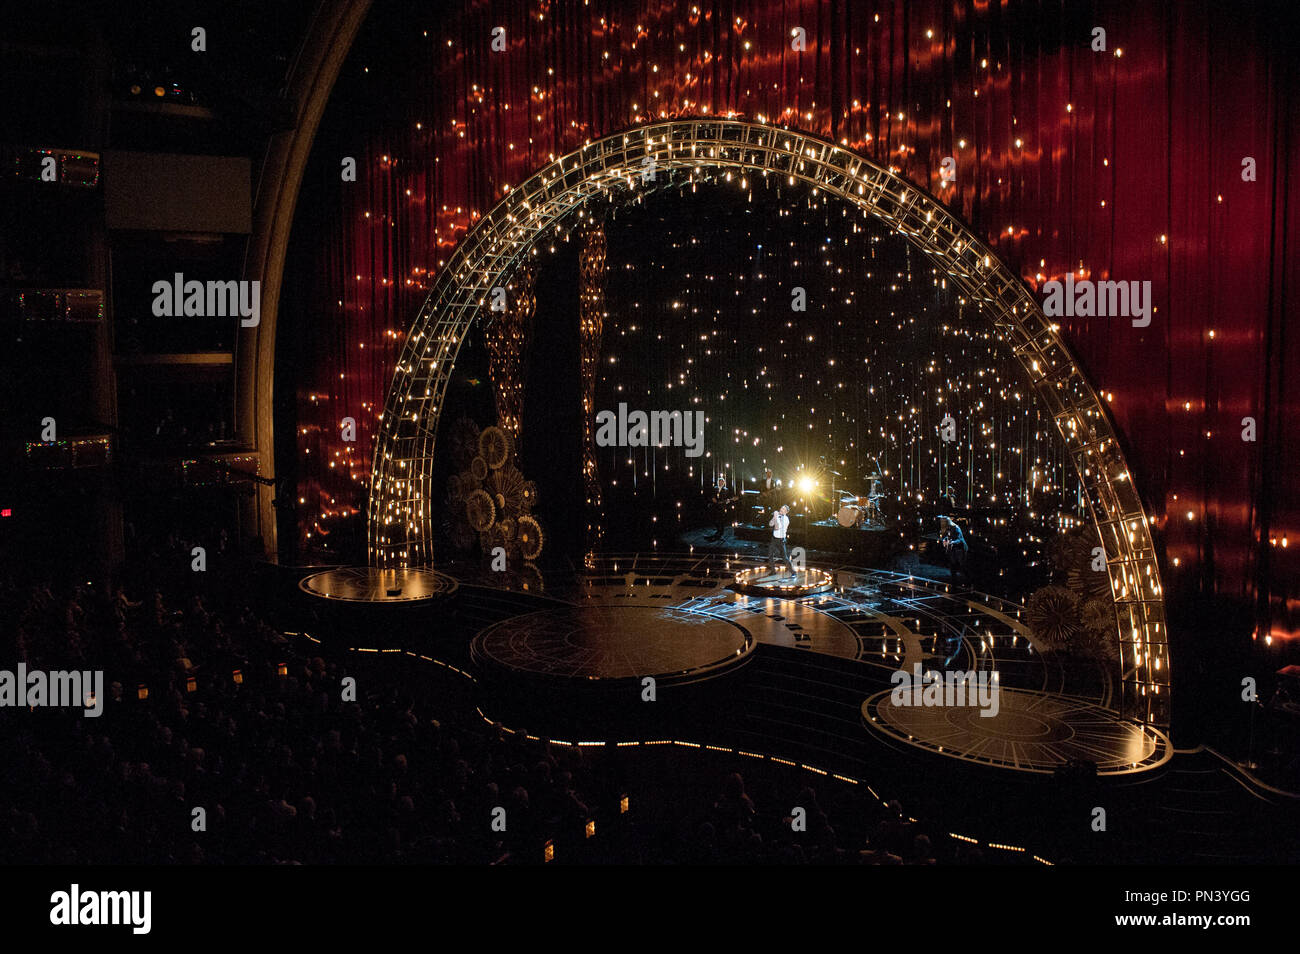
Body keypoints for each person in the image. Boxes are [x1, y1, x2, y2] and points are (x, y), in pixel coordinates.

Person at [937, 515, 969, 582]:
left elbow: (960, 540)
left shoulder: (956, 528)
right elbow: (948, 536)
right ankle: (954, 579)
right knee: (952, 564)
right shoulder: (949, 528)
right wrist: (944, 540)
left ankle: (967, 579)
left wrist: (952, 542)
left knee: (961, 564)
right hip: (954, 549)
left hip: (960, 548)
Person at [768, 504, 795, 579]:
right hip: (774, 539)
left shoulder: (786, 519)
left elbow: (776, 528)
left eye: (783, 509)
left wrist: (776, 517)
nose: (781, 509)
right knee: (770, 555)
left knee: (784, 557)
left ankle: (793, 572)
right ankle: (773, 571)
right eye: (781, 508)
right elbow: (770, 524)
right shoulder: (777, 516)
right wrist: (774, 517)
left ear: (786, 512)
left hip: (781, 540)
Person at [709, 476, 731, 541]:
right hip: (715, 506)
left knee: (721, 520)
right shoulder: (715, 488)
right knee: (715, 520)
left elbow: (728, 498)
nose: (720, 483)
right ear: (717, 482)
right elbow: (712, 495)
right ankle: (718, 531)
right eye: (719, 481)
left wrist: (727, 501)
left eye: (722, 482)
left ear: (724, 483)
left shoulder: (726, 490)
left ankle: (720, 533)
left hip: (722, 507)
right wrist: (713, 499)